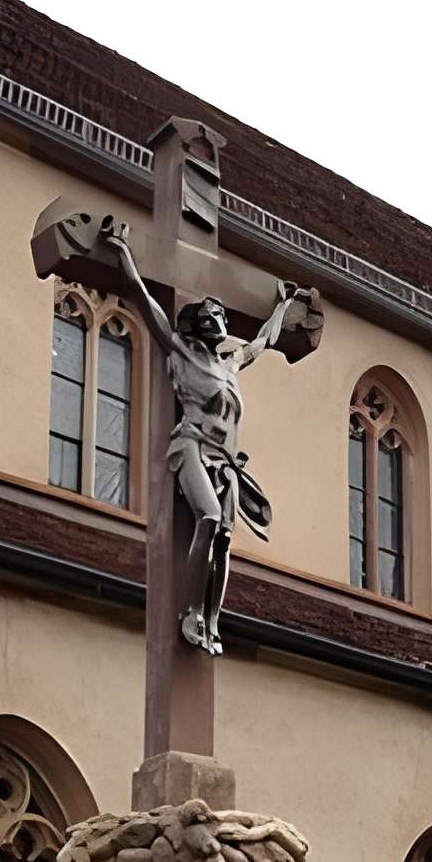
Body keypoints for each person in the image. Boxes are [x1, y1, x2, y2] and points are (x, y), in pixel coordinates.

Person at [107, 223, 295, 654]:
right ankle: (191, 612)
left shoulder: (231, 364)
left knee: (225, 539)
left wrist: (282, 306)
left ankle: (212, 620)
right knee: (208, 518)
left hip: (226, 463)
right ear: (199, 322)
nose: (222, 320)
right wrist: (122, 251)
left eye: (222, 316)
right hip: (191, 445)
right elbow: (143, 299)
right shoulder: (181, 350)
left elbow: (264, 341)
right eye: (213, 314)